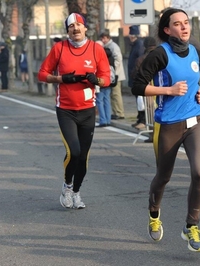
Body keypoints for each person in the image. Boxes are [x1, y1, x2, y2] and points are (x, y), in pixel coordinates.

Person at [131, 8, 200, 252]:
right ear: (167, 29)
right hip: (169, 125)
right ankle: (154, 215)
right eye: (178, 24)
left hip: (195, 120)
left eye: (186, 23)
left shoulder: (195, 50)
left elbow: (197, 81)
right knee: (163, 177)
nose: (184, 27)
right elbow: (137, 86)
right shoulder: (159, 54)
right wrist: (169, 91)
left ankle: (191, 226)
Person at [37, 13, 110, 209]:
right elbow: (42, 74)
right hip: (66, 110)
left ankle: (76, 192)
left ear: (85, 28)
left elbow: (107, 77)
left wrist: (97, 80)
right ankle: (67, 186)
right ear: (67, 30)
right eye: (71, 26)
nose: (75, 29)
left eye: (79, 25)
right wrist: (62, 79)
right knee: (74, 151)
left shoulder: (96, 49)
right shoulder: (59, 48)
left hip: (88, 110)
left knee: (83, 156)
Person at [130, 36, 158, 130]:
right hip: (161, 88)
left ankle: (151, 132)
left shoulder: (141, 59)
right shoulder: (161, 56)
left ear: (145, 46)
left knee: (149, 110)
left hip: (147, 88)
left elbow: (135, 74)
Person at [99, 32, 126, 120]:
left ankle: (119, 112)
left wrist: (114, 73)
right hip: (113, 75)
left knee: (116, 94)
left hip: (115, 75)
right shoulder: (108, 46)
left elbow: (118, 60)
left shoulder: (113, 46)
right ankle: (116, 112)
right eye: (102, 39)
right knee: (113, 95)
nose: (103, 40)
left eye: (104, 38)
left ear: (108, 38)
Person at [95, 41, 117, 127]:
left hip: (100, 80)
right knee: (107, 100)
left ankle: (103, 120)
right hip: (109, 80)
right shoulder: (110, 56)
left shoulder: (99, 56)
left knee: (99, 101)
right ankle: (108, 120)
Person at [128, 25, 145, 127]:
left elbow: (139, 61)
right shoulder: (134, 45)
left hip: (137, 77)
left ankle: (143, 120)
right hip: (133, 77)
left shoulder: (139, 45)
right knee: (138, 100)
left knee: (141, 100)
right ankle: (139, 118)